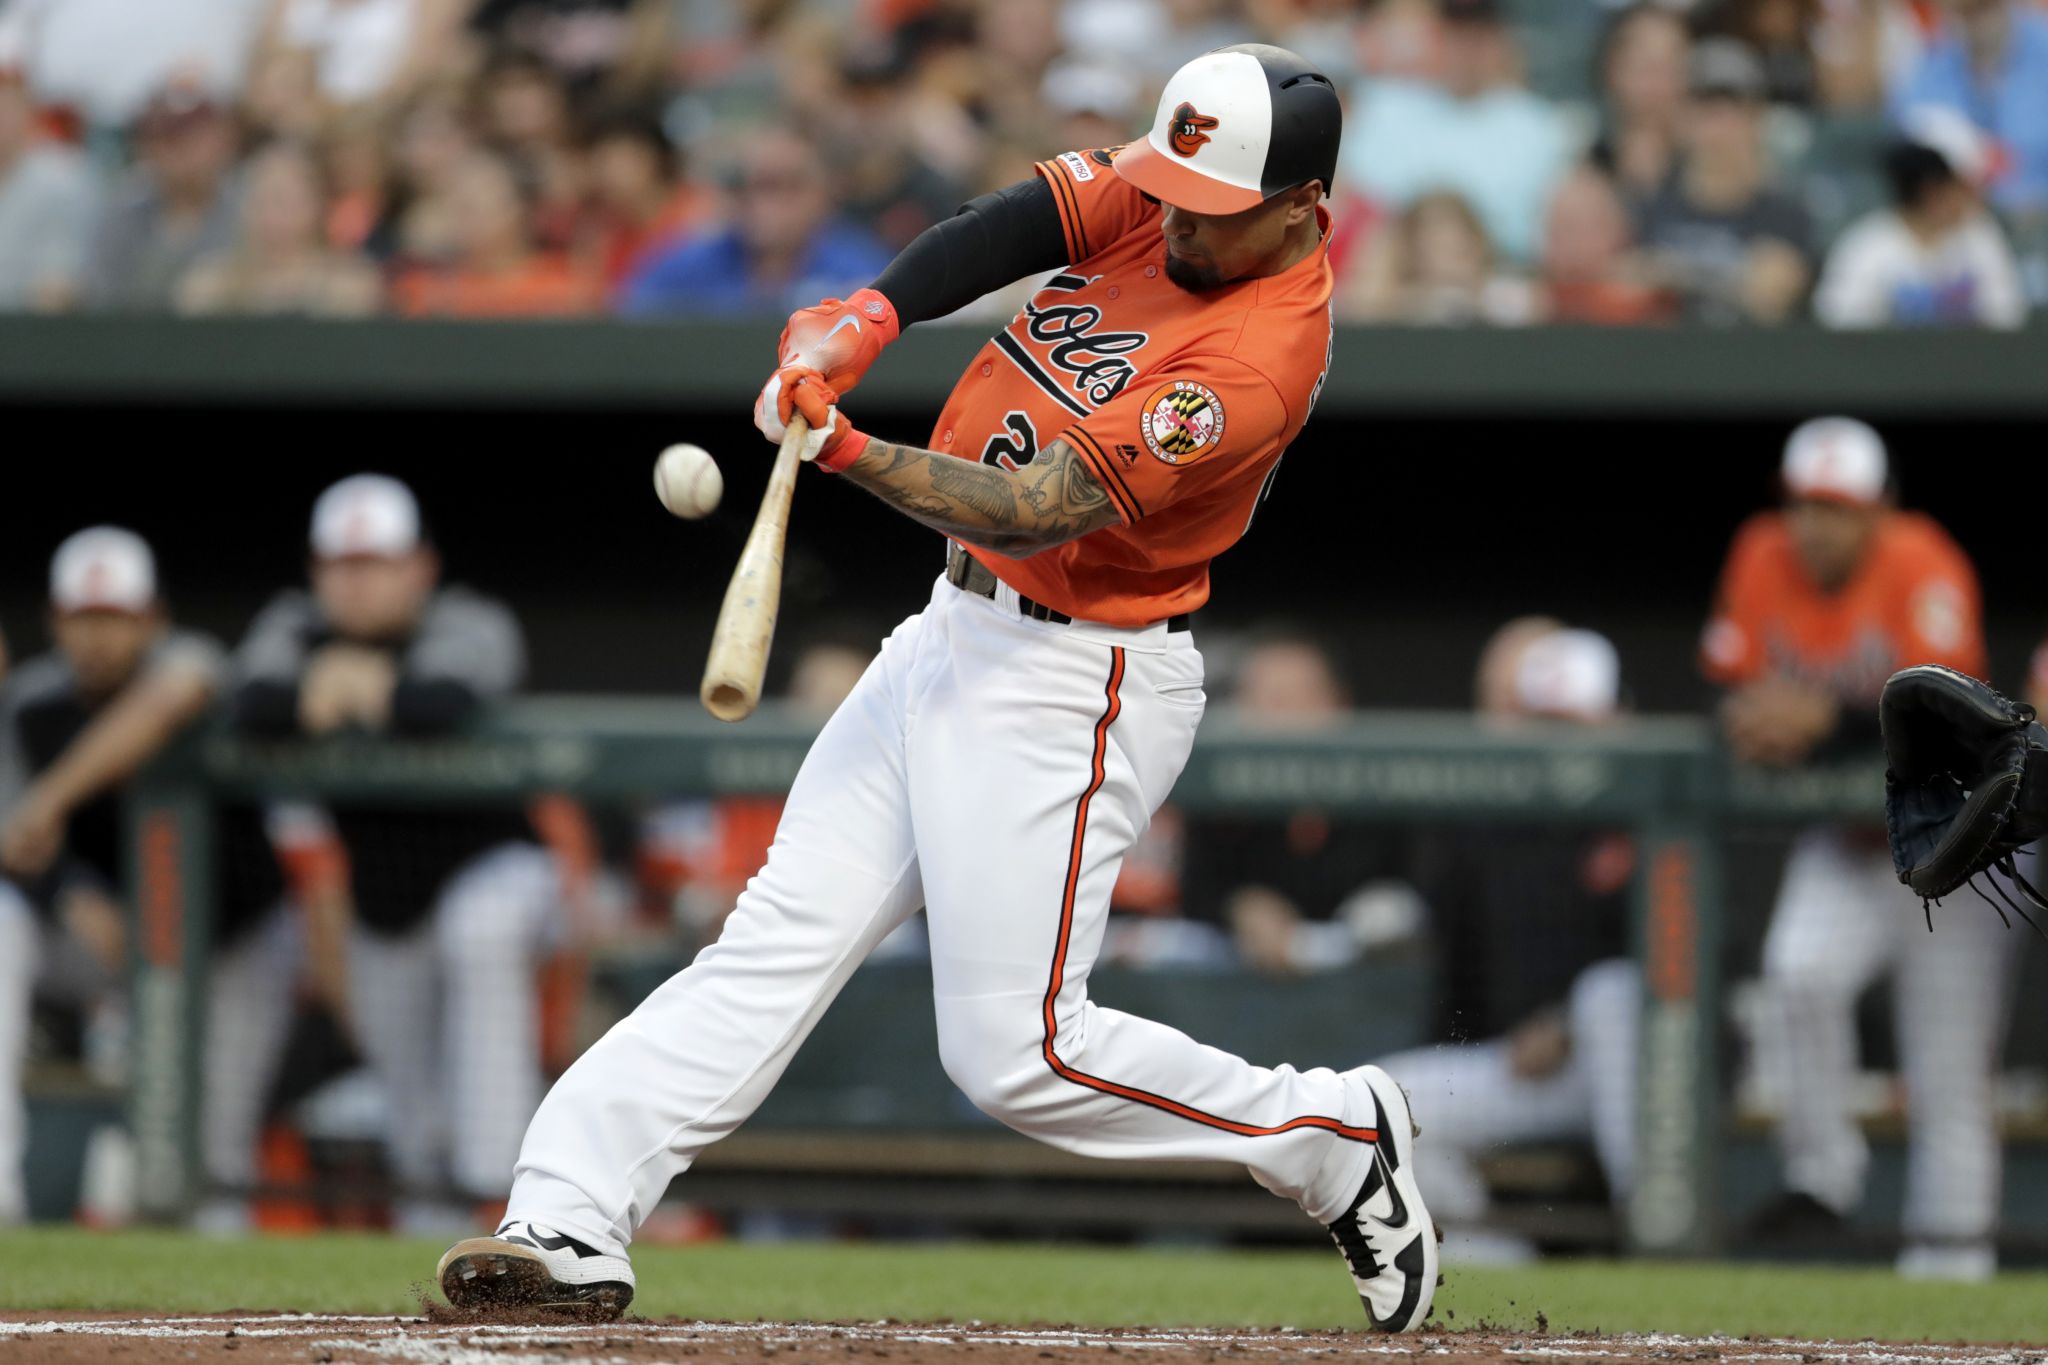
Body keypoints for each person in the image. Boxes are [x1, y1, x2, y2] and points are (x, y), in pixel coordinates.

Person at [440, 44, 1440, 1334]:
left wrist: (847, 445)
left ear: (1302, 207)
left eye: (1212, 208)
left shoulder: (1255, 360)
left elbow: (1035, 513)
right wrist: (864, 314)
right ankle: (565, 1214)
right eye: (1172, 189)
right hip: (947, 635)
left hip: (1074, 677)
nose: (1176, 218)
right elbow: (1014, 221)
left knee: (1019, 1055)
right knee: (771, 941)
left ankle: (1330, 1136)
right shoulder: (1185, 186)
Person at [1704, 418, 2018, 1281]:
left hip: (1955, 847)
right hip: (1847, 844)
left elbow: (1947, 718)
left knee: (1948, 1076)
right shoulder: (1762, 553)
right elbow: (1732, 678)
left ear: (1879, 509)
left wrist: (1827, 721)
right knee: (1799, 975)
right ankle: (1823, 1175)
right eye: (1804, 502)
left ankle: (1953, 1281)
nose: (1815, 523)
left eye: (1837, 507)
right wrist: (1756, 716)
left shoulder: (1923, 561)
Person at [231, 474, 570, 1226]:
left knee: (477, 931)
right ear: (319, 571)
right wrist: (323, 686)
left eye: (377, 563)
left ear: (420, 566)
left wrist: (364, 686)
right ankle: (449, 1266)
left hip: (499, 872)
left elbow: (443, 700)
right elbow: (248, 701)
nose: (358, 583)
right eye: (343, 565)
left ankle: (512, 1197)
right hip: (381, 904)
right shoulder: (294, 625)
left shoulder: (468, 620)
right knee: (415, 1121)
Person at [1381, 623, 1640, 1263]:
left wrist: (1566, 1019)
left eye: (1574, 725)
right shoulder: (1488, 825)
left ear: (1617, 721)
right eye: (1541, 723)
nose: (1558, 745)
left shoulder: (1652, 814)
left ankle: (1655, 1235)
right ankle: (1504, 1263)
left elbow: (1709, 959)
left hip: (1652, 1071)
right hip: (1531, 1072)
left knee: (1612, 995)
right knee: (1377, 1108)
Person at [0, 528, 227, 1225]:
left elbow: (160, 705)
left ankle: (223, 1235)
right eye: (83, 616)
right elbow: (11, 837)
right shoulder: (32, 701)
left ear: (150, 617)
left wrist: (52, 796)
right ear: (55, 619)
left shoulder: (193, 661)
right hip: (87, 931)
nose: (97, 636)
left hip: (218, 939)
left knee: (222, 1132)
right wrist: (70, 893)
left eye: (116, 617)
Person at [1181, 635, 1420, 974]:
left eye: (1300, 699)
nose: (1283, 719)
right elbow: (1196, 893)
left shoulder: (1387, 797)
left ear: (1339, 704)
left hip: (1360, 990)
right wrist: (1238, 907)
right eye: (1268, 701)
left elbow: (1415, 899)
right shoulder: (1216, 804)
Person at [1340, 0, 1571, 263]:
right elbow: (1352, 206)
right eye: (1454, 35)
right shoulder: (1383, 109)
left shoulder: (1539, 127)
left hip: (1501, 275)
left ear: (1500, 42)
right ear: (1434, 38)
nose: (1463, 50)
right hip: (1394, 275)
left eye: (1476, 38)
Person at [617, 124, 891, 317]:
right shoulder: (685, 265)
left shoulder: (862, 269)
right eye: (748, 185)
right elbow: (629, 324)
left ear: (823, 194)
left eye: (785, 185)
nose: (762, 202)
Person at [1636, 39, 1814, 324]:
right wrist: (1738, 280)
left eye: (1733, 110)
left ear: (1757, 119)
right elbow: (1628, 284)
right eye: (1705, 110)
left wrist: (1673, 274)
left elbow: (1771, 296)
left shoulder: (1786, 216)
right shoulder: (1649, 208)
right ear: (1682, 118)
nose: (1719, 128)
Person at [1815, 105, 2029, 327]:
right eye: (1965, 186)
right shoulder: (1866, 248)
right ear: (1931, 190)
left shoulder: (1981, 237)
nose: (1978, 195)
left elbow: (2006, 325)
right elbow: (1843, 342)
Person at [176, 139, 383, 316]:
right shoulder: (210, 283)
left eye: (284, 199)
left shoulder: (347, 283)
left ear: (316, 204)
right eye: (261, 198)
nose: (272, 213)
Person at [1889, 0, 2048, 225]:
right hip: (1960, 225)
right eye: (1963, 13)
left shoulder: (2042, 46)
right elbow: (1907, 130)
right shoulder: (1934, 60)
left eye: (1982, 8)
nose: (1975, 23)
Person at [86, 83, 242, 311]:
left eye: (191, 139)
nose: (178, 154)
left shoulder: (247, 210)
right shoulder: (124, 213)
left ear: (221, 141)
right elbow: (102, 297)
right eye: (165, 140)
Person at [0, 64, 97, 312]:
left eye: (7, 106)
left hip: (34, 331)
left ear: (27, 111)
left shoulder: (65, 176)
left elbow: (63, 281)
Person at [1588, 3, 1694, 206]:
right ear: (1612, 71)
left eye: (1673, 68)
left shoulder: (1722, 171)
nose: (1660, 86)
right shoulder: (1586, 167)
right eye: (1646, 69)